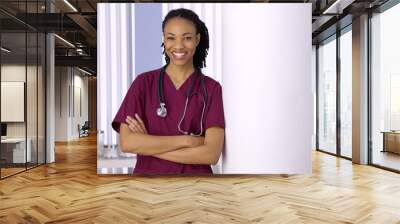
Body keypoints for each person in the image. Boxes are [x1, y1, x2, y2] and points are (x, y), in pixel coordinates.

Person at [112, 8, 225, 174]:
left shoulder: (211, 89)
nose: (178, 46)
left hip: (196, 188)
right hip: (148, 187)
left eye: (187, 38)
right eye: (171, 38)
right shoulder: (143, 83)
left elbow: (211, 154)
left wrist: (149, 145)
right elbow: (128, 143)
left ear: (197, 39)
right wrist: (188, 141)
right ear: (164, 40)